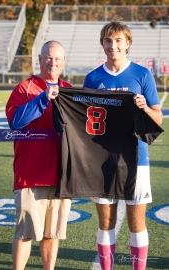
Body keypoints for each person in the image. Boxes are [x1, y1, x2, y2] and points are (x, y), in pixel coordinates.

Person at [83, 18, 163, 270]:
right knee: (105, 221)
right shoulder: (93, 78)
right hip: (101, 159)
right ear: (102, 44)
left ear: (128, 43)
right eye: (108, 40)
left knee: (136, 222)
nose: (113, 45)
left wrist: (144, 108)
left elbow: (158, 117)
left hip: (136, 158)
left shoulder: (142, 74)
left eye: (118, 40)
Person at [6, 40, 72, 270]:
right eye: (48, 57)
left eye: (57, 59)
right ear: (40, 59)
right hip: (30, 174)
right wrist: (43, 97)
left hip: (60, 175)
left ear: (63, 62)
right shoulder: (24, 88)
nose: (52, 62)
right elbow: (15, 122)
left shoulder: (70, 90)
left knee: (51, 233)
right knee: (25, 233)